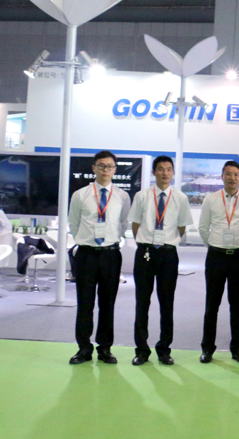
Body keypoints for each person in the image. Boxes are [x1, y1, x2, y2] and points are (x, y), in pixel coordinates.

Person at [68, 150, 132, 365]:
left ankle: (105, 348)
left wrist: (110, 240)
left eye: (110, 166)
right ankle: (84, 348)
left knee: (107, 304)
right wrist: (86, 241)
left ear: (115, 170)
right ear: (94, 168)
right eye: (102, 166)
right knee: (84, 304)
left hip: (110, 255)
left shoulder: (122, 196)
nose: (106, 170)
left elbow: (123, 223)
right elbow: (74, 223)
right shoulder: (80, 195)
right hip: (86, 254)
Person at [129, 155, 193, 366]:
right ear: (154, 172)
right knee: (142, 302)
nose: (165, 173)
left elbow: (182, 227)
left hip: (168, 254)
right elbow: (135, 224)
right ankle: (141, 350)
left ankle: (164, 349)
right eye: (160, 169)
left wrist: (166, 242)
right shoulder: (142, 196)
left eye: (168, 169)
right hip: (146, 253)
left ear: (173, 172)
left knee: (167, 303)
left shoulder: (180, 198)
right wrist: (146, 243)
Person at [198, 161, 239, 364]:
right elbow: (203, 227)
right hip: (216, 256)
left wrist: (237, 244)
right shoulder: (211, 199)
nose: (232, 178)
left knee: (236, 304)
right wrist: (215, 245)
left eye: (236, 174)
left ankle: (237, 349)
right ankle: (207, 348)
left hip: (238, 256)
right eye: (229, 174)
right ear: (222, 176)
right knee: (212, 304)